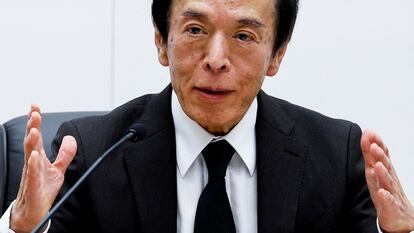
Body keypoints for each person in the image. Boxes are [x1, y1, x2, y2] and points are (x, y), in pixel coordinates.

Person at [1, 0, 413, 232]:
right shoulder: (93, 153)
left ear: (278, 54)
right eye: (195, 30)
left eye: (243, 36)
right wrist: (25, 229)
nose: (216, 60)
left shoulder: (335, 156)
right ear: (162, 42)